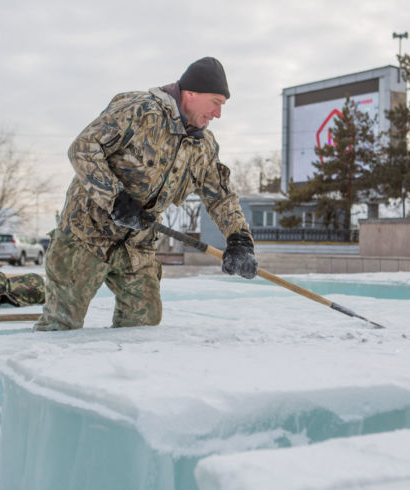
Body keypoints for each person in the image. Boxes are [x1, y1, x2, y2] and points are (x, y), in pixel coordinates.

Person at [34, 57, 258, 332]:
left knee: (144, 322)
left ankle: (121, 374)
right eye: (216, 103)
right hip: (86, 236)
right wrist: (115, 200)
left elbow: (220, 196)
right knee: (61, 326)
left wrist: (239, 240)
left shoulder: (204, 146)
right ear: (191, 94)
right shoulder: (139, 111)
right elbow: (83, 148)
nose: (218, 114)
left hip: (136, 245)